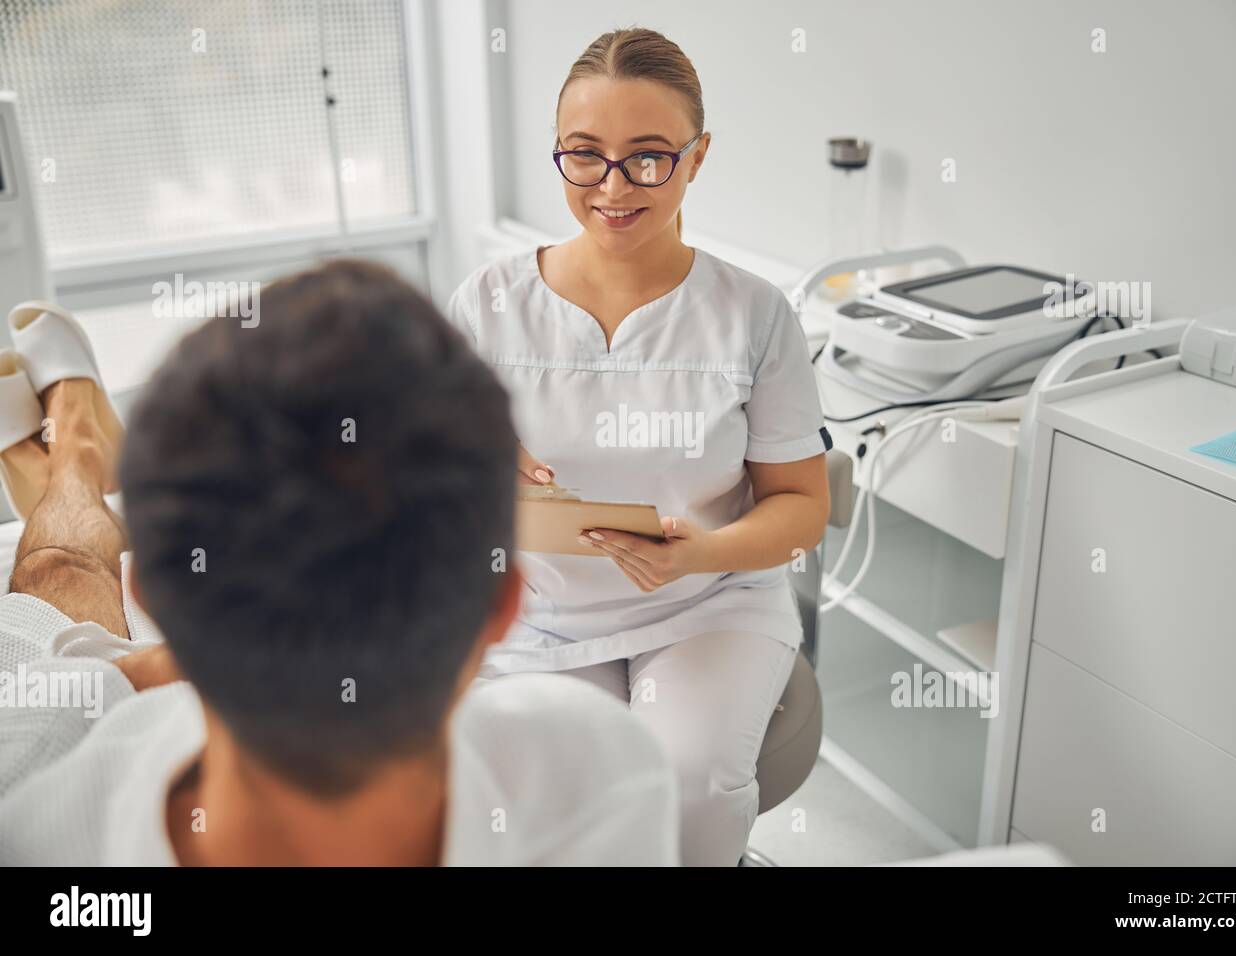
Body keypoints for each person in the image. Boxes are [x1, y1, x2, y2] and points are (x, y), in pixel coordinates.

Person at [0, 260, 677, 866]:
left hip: (79, 703)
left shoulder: (33, 820)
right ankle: (77, 456)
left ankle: (76, 460)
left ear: (144, 595)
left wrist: (205, 646)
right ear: (503, 604)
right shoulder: (601, 774)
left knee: (56, 579)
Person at [446, 28, 830, 866]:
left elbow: (803, 507)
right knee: (552, 798)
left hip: (710, 603)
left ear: (697, 158)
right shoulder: (486, 304)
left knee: (687, 786)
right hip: (542, 614)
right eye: (585, 156)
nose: (614, 187)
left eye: (649, 157)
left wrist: (706, 554)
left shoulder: (755, 315)